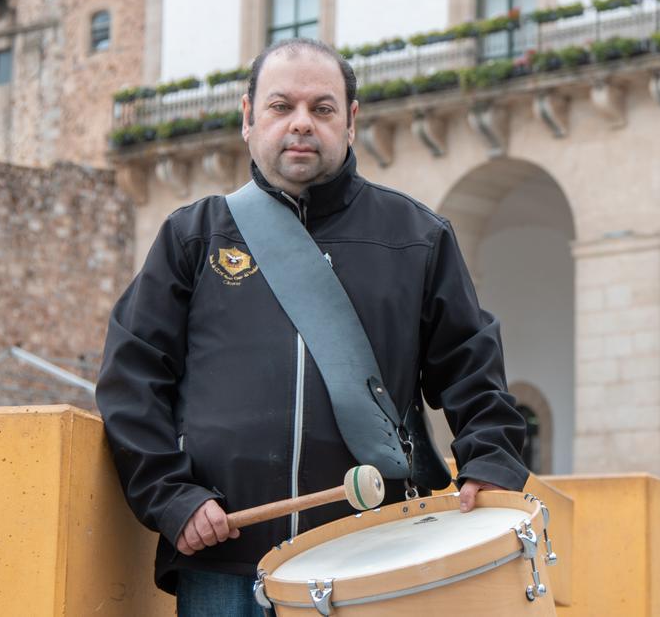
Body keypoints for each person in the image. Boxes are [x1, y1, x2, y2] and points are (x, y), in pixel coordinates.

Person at [95, 37, 529, 615]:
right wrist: (172, 498)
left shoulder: (418, 237)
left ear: (350, 122)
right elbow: (132, 378)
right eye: (281, 107)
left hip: (371, 557)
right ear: (249, 118)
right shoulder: (192, 235)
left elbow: (472, 368)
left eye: (321, 109)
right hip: (225, 557)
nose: (301, 124)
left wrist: (491, 462)